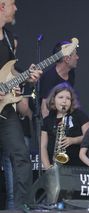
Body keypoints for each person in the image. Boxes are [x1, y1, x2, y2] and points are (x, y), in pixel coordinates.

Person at [0, 0, 42, 209]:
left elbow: (11, 71)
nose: (16, 8)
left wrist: (26, 76)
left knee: (21, 155)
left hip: (5, 110)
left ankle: (21, 206)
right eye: (13, 4)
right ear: (1, 6)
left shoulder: (7, 36)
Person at [40, 83, 89, 169]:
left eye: (68, 98)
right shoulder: (48, 120)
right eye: (61, 97)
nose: (64, 101)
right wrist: (48, 168)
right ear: (53, 99)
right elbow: (43, 147)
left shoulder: (78, 115)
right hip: (55, 166)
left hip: (77, 166)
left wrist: (73, 140)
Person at [40, 40, 79, 117]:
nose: (77, 57)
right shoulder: (49, 78)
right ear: (67, 59)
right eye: (75, 54)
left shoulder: (71, 72)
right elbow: (44, 108)